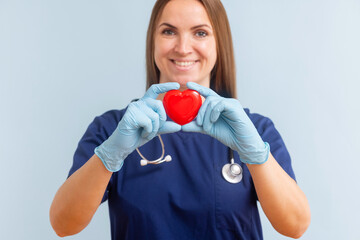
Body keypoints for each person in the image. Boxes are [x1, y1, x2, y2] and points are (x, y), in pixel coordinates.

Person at [50, 0, 311, 239]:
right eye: (169, 31)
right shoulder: (112, 129)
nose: (183, 48)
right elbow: (63, 224)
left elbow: (295, 226)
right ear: (153, 41)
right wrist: (109, 156)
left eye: (200, 33)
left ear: (218, 42)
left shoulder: (254, 129)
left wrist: (256, 156)